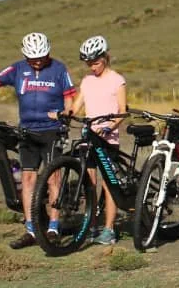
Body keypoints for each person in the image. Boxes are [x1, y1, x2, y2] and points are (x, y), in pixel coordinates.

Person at [0, 32, 76, 249]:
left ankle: (53, 228)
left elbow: (69, 95)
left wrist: (67, 111)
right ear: (25, 56)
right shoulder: (18, 68)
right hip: (27, 131)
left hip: (51, 131)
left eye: (42, 57)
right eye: (33, 58)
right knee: (28, 180)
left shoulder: (59, 69)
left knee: (53, 179)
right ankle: (31, 229)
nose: (38, 61)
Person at [67, 36, 127, 245]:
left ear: (105, 57)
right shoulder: (87, 81)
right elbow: (76, 106)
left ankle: (109, 229)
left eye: (96, 62)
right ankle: (91, 226)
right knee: (89, 184)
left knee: (109, 185)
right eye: (89, 64)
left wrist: (110, 127)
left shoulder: (117, 80)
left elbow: (122, 111)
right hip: (89, 139)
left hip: (108, 140)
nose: (92, 67)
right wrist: (64, 114)